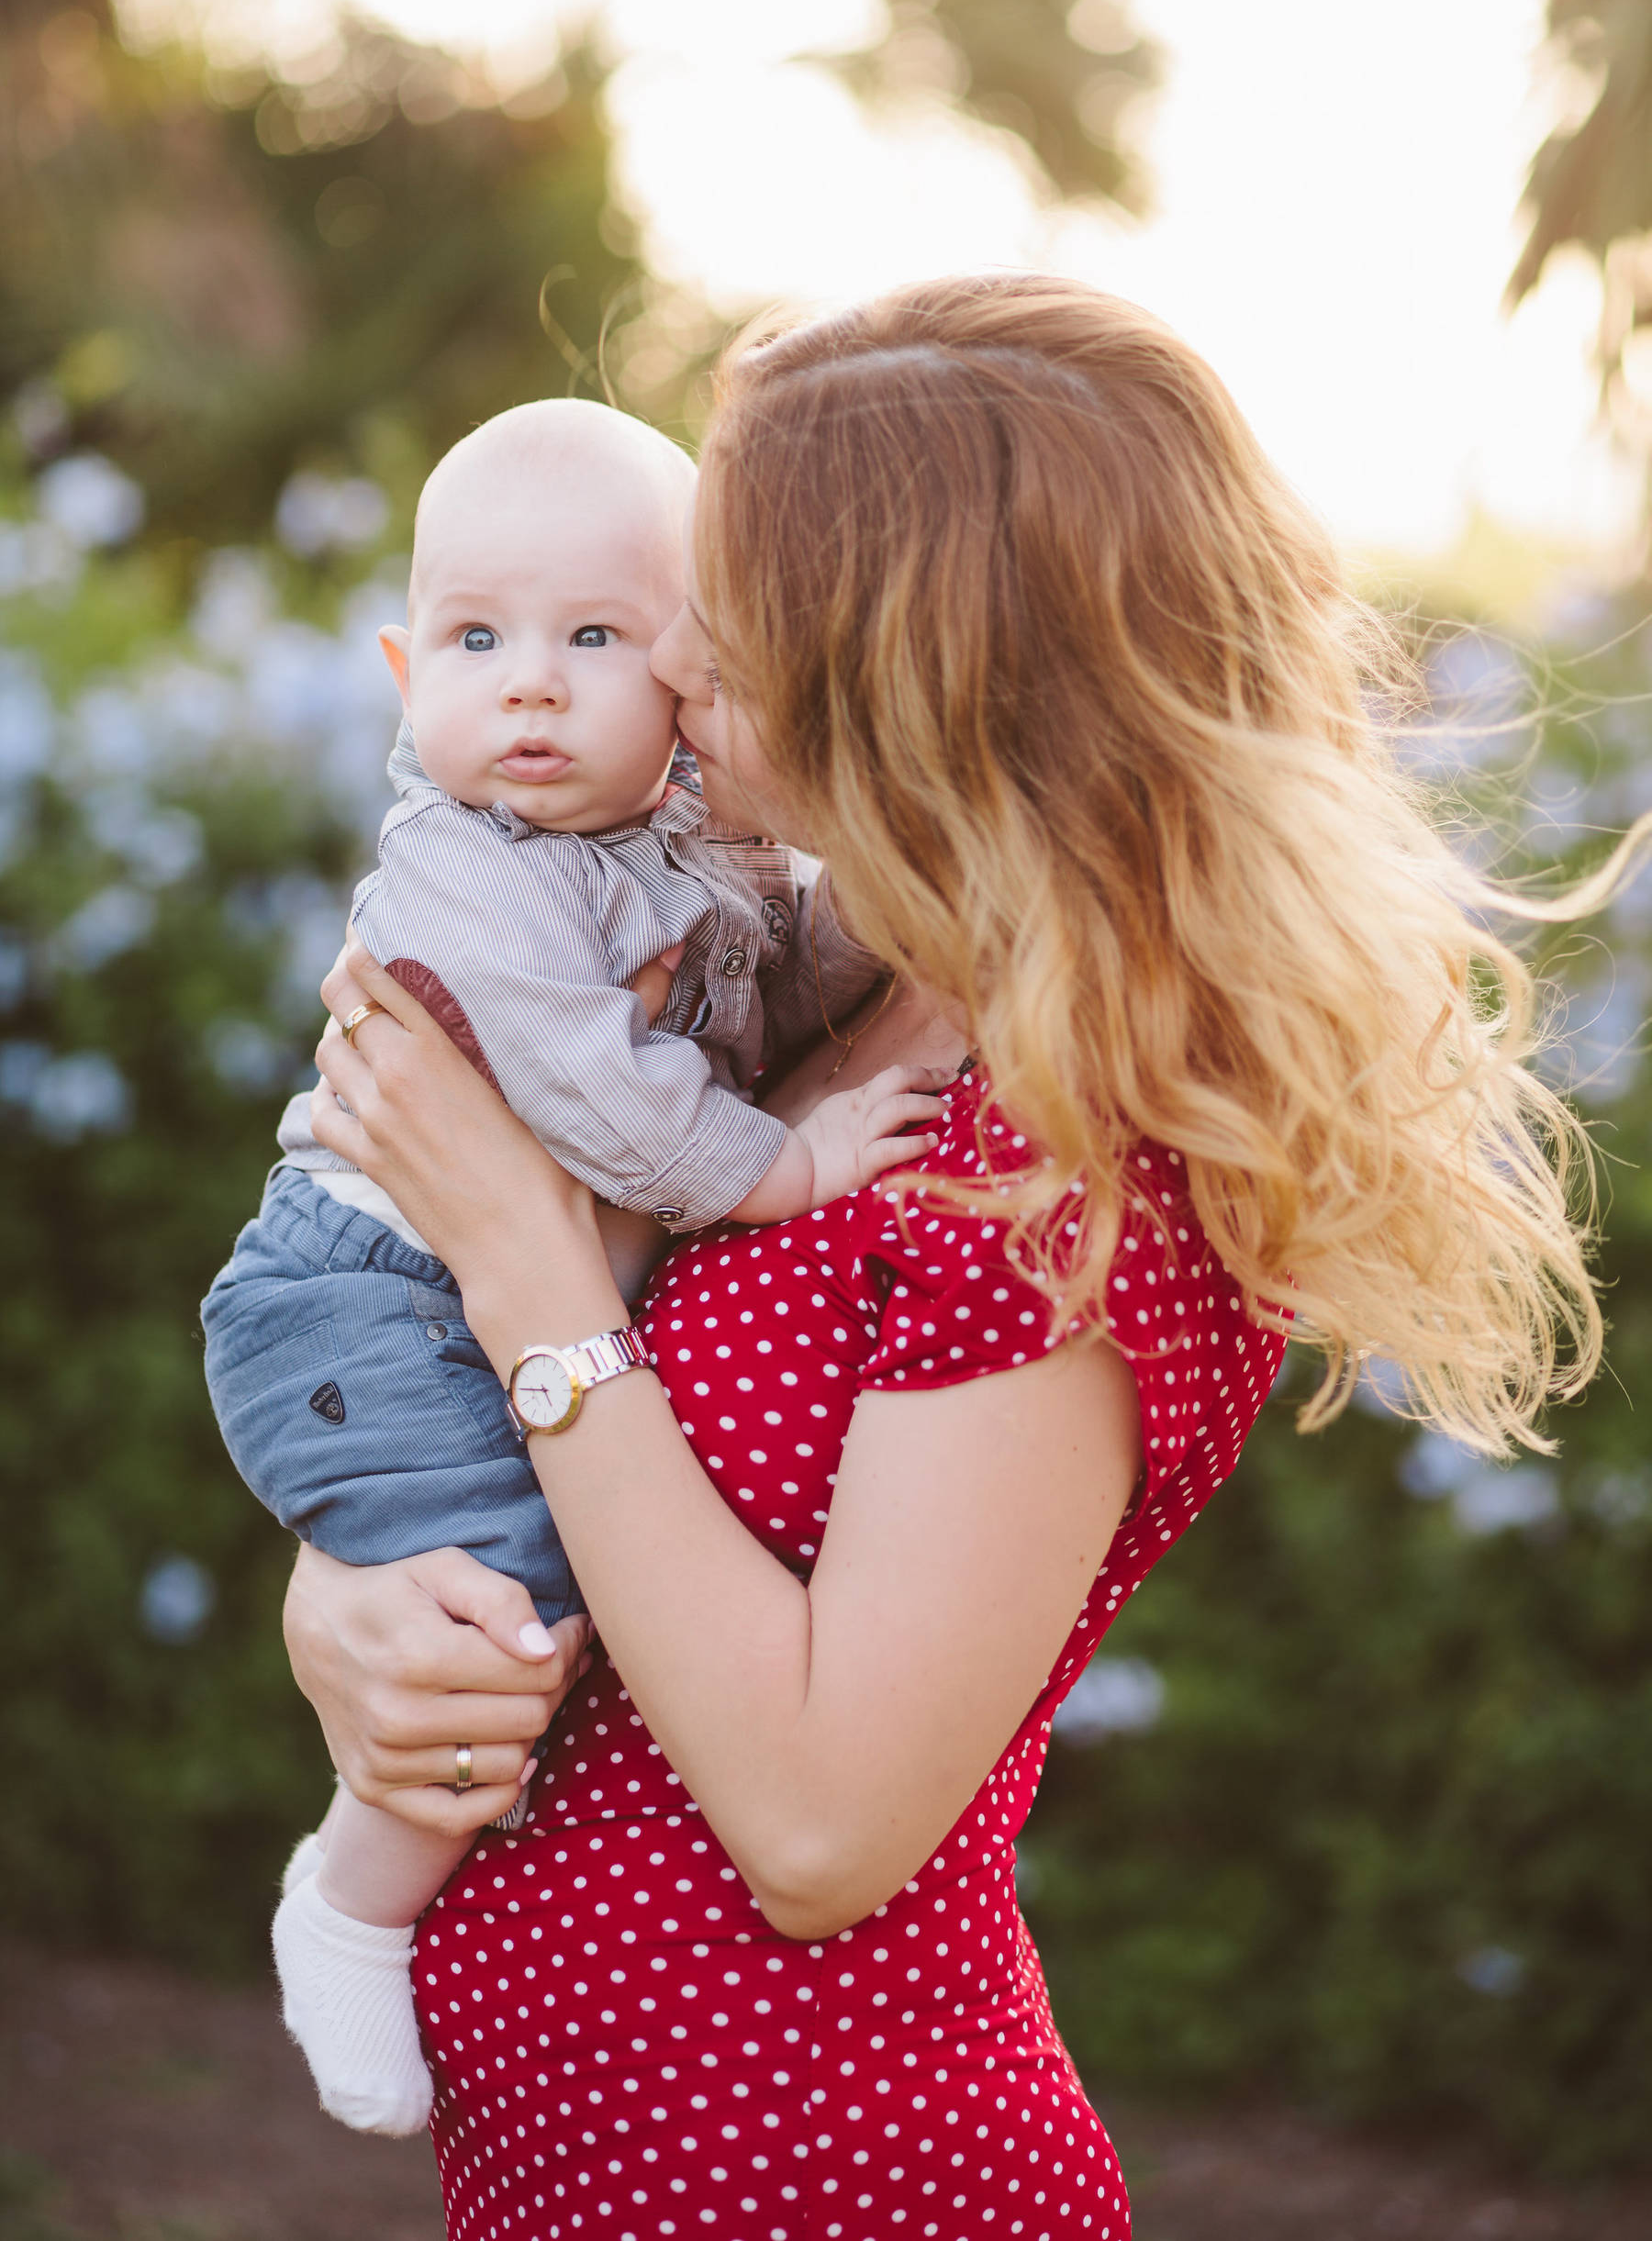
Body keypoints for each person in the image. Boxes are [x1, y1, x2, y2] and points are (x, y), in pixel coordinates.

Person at [282, 275, 1606, 2241]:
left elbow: (821, 1821)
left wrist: (522, 1264)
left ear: (916, 684)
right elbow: (584, 1463)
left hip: (821, 2176)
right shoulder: (831, 999)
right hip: (579, 2168)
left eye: (726, 628)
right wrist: (354, 1615)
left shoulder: (1067, 1152)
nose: (673, 659)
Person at [201, 397, 936, 2138]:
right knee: (508, 1593)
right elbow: (622, 1111)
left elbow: (776, 964)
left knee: (498, 1584)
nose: (531, 686)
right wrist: (801, 1164)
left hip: (745, 2095)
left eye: (600, 640)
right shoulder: (474, 874)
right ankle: (354, 1898)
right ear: (405, 670)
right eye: (477, 639)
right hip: (368, 1300)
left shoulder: (671, 836)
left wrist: (887, 908)